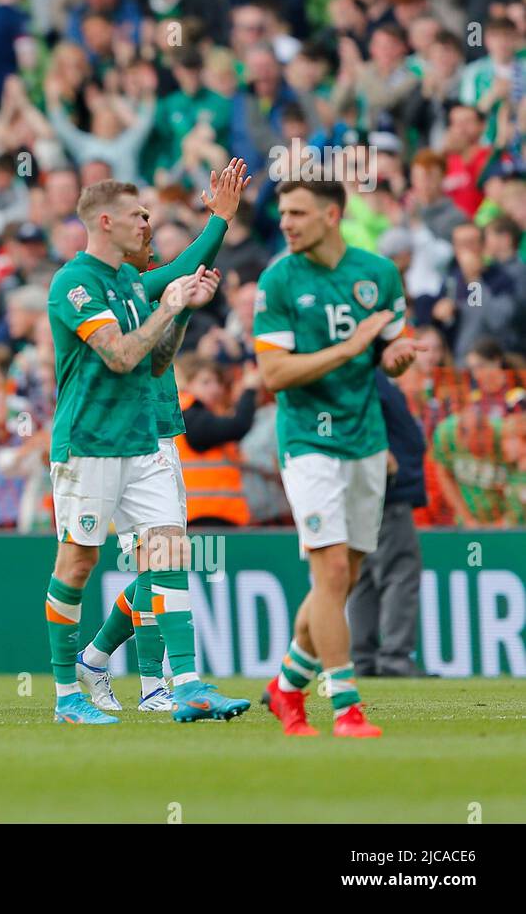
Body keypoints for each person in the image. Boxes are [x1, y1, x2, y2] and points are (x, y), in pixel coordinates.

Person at [44, 178, 250, 726]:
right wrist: (170, 304)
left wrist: (179, 312)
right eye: (138, 215)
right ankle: (69, 693)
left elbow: (156, 362)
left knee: (169, 551)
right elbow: (117, 355)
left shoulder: (133, 286)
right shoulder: (74, 284)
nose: (146, 223)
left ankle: (186, 685)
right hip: (89, 441)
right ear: (105, 222)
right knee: (79, 561)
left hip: (141, 440)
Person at [255, 180, 418, 739]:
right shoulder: (278, 279)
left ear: (332, 214)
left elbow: (393, 348)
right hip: (308, 440)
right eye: (282, 213)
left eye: (297, 213)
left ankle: (284, 686)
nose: (286, 223)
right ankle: (345, 706)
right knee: (327, 570)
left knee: (342, 578)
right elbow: (273, 374)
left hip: (365, 439)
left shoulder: (379, 273)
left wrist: (395, 356)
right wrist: (350, 350)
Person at [348, 370, 428, 678]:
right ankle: (395, 657)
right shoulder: (367, 375)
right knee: (400, 571)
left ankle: (363, 659)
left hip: (364, 490)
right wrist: (378, 453)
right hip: (385, 491)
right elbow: (358, 415)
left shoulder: (356, 372)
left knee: (362, 574)